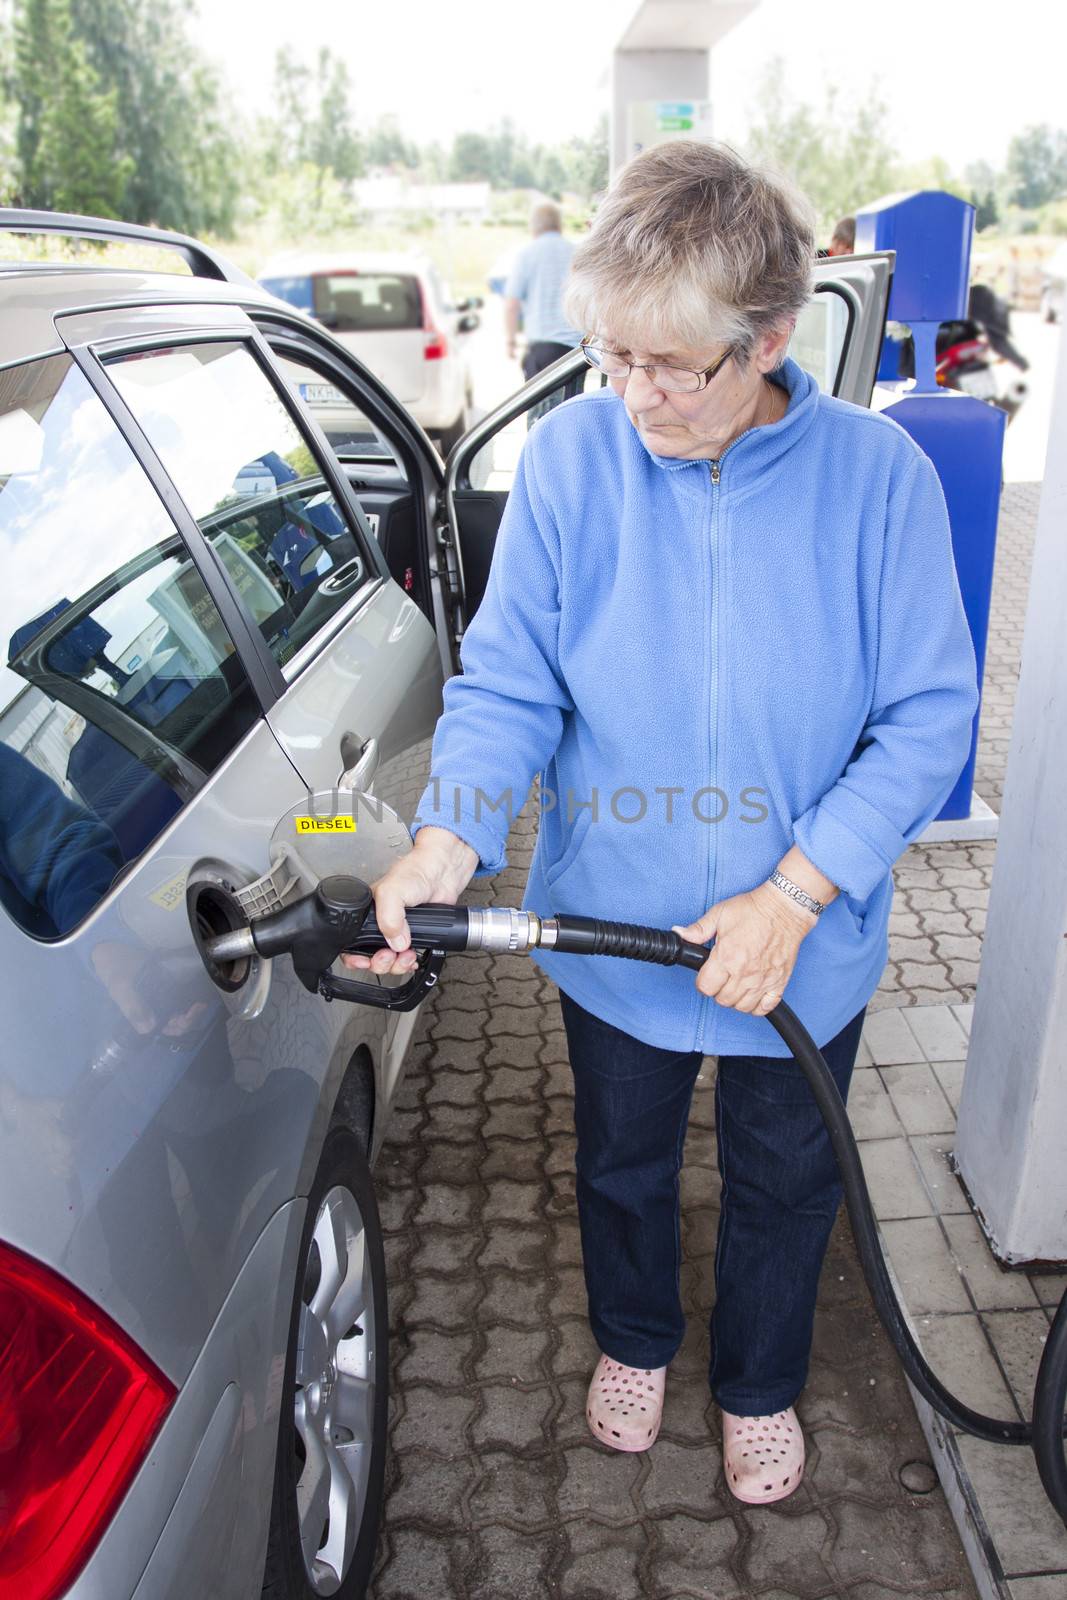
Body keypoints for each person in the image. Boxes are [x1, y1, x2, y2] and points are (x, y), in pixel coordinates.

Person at [346, 141, 979, 1506]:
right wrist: (446, 841)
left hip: (802, 944)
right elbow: (510, 681)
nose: (626, 393)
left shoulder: (875, 481)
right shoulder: (575, 462)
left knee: (781, 1175)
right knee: (621, 1162)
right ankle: (634, 1338)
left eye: (665, 366)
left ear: (765, 340)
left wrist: (795, 893)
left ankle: (758, 1380)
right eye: (606, 353)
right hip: (612, 928)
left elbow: (928, 719)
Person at [504, 200, 581, 380]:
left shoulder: (526, 255)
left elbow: (511, 304)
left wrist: (511, 342)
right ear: (559, 225)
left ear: (533, 227)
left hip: (542, 349)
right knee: (570, 405)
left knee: (543, 407)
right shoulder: (577, 252)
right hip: (575, 352)